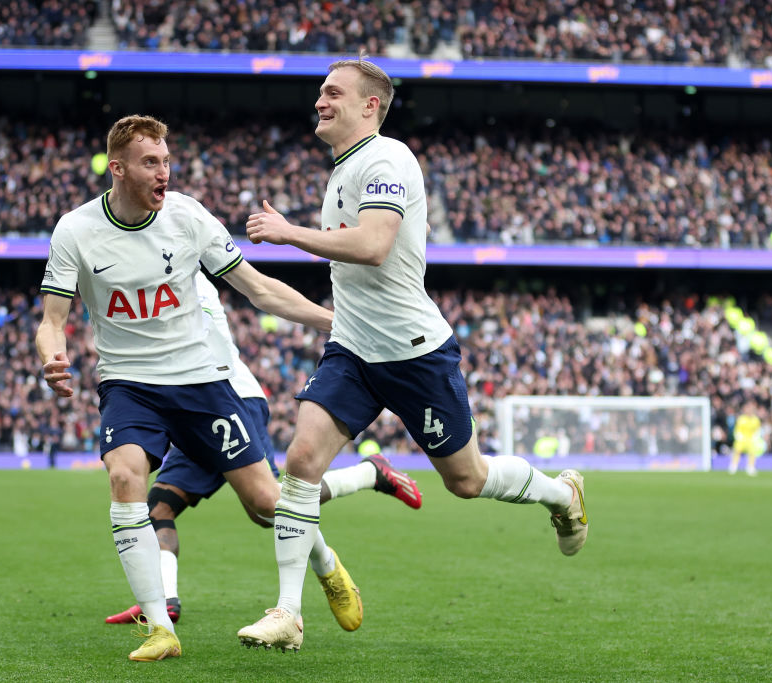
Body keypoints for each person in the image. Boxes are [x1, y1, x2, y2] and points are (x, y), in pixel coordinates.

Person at [237, 58, 589, 651]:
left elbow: (374, 246)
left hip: (413, 352)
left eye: (333, 92)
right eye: (320, 92)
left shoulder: (388, 158)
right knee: (299, 462)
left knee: (467, 480)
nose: (319, 101)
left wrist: (290, 233)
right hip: (352, 348)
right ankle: (287, 614)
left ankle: (562, 494)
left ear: (370, 104)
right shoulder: (344, 166)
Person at [36, 114, 362, 662]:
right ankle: (161, 628)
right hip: (128, 383)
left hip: (200, 381)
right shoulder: (75, 230)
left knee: (265, 504)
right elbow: (51, 320)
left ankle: (327, 563)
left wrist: (330, 321)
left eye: (166, 160)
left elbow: (257, 288)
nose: (164, 171)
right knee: (124, 476)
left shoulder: (187, 216)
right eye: (150, 162)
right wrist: (52, 356)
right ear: (117, 168)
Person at [105, 271, 423, 625]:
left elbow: (214, 336)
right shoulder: (140, 274)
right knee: (159, 507)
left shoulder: (184, 277)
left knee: (269, 506)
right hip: (185, 408)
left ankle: (361, 490)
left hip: (226, 398)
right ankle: (165, 600)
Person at [728, 400, 764, 476]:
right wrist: (738, 436)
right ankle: (734, 466)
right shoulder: (741, 419)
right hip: (741, 440)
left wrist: (756, 436)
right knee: (737, 451)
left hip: (751, 440)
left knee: (752, 453)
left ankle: (750, 467)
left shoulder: (755, 419)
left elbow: (758, 429)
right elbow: (737, 429)